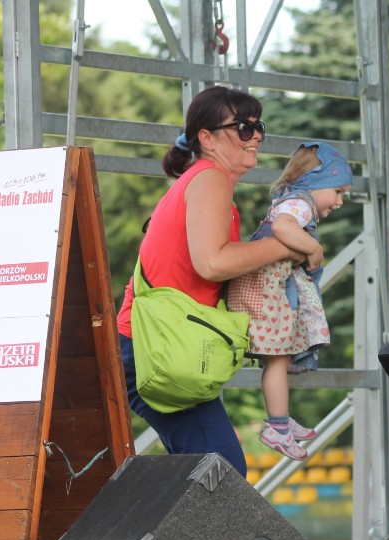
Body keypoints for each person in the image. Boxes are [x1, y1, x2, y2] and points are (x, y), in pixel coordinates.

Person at [115, 86, 305, 478]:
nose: (256, 136)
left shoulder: (203, 180)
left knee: (209, 474)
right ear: (206, 137)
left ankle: (171, 539)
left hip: (156, 345)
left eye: (258, 126)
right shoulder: (210, 179)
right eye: (242, 127)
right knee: (221, 475)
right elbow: (213, 262)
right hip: (155, 348)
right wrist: (285, 247)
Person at [227, 142, 352, 461]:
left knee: (278, 361)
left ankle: (279, 419)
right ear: (315, 181)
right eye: (337, 191)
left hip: (271, 289)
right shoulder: (299, 205)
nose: (339, 202)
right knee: (278, 360)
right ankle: (276, 426)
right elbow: (283, 228)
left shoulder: (294, 203)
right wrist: (312, 248)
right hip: (266, 292)